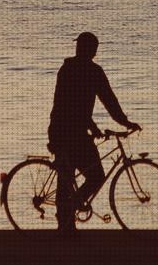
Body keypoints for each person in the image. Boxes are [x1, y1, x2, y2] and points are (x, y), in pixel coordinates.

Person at [48, 32, 140, 230]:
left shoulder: (67, 69)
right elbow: (109, 101)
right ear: (94, 51)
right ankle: (69, 212)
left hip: (60, 128)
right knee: (95, 176)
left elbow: (66, 103)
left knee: (66, 177)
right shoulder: (93, 71)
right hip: (75, 133)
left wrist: (92, 126)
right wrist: (125, 122)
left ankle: (65, 222)